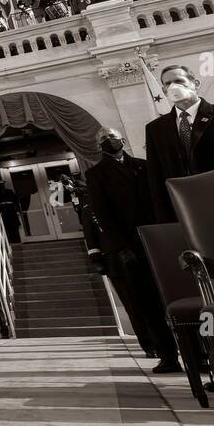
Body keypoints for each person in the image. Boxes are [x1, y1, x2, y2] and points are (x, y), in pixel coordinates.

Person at [84, 127, 182, 372]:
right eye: (104, 139)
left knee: (178, 298)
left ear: (123, 140)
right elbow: (103, 215)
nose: (110, 141)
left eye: (113, 137)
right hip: (130, 247)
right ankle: (168, 356)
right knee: (148, 305)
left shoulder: (144, 165)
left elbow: (161, 200)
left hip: (159, 240)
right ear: (99, 146)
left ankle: (198, 354)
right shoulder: (96, 174)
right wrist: (121, 247)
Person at [144, 65, 214, 222]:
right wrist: (165, 221)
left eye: (179, 80)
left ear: (195, 84)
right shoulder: (155, 129)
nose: (173, 87)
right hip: (189, 212)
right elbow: (156, 178)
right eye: (167, 84)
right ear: (163, 91)